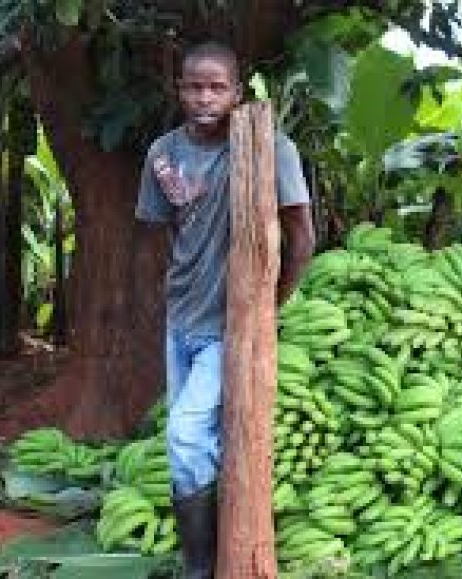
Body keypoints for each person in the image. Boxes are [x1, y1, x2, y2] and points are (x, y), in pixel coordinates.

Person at [135, 40, 315, 578]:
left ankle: (201, 567)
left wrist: (267, 306)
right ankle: (206, 553)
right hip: (180, 317)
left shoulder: (267, 147)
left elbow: (302, 236)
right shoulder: (163, 153)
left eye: (217, 87)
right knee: (193, 440)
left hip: (230, 325)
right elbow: (158, 230)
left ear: (237, 91)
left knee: (186, 437)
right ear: (179, 89)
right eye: (194, 86)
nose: (205, 98)